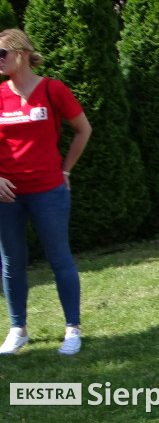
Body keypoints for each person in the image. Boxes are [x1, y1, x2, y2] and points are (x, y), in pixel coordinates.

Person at [0, 29, 91, 356]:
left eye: (1, 54)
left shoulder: (52, 90)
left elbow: (83, 129)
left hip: (48, 191)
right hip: (6, 197)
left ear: (21, 54)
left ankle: (72, 329)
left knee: (59, 257)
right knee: (11, 262)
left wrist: (65, 170)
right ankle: (17, 329)